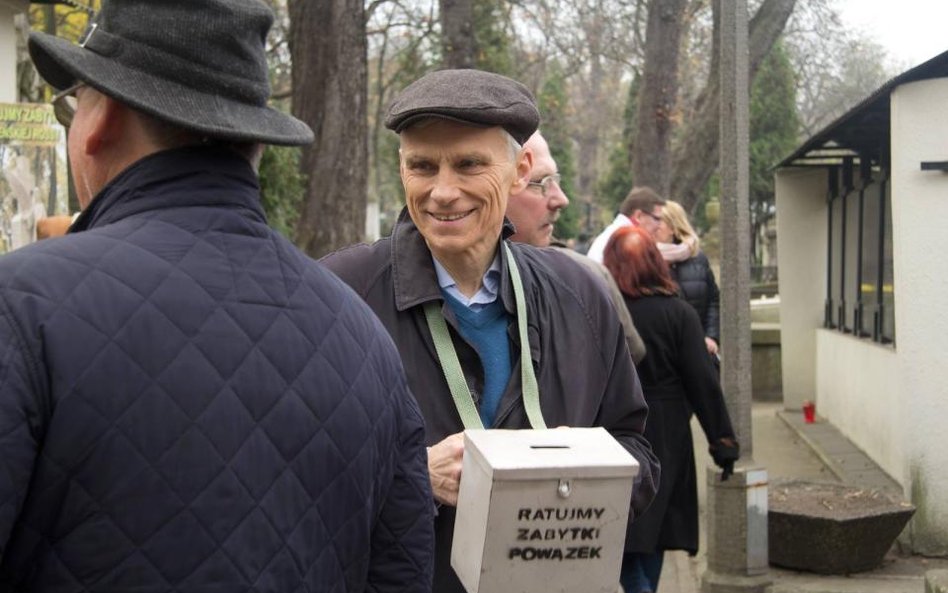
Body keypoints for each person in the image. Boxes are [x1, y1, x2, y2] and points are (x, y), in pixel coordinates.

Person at [0, 1, 434, 590]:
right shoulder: (363, 337)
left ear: (101, 120)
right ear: (251, 144)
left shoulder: (19, 306)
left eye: (72, 104)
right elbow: (400, 573)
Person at [321, 69, 660, 593]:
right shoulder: (340, 296)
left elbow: (638, 453)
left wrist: (591, 472)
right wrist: (413, 478)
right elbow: (288, 484)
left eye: (469, 165)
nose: (442, 191)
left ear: (521, 169)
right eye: (422, 166)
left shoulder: (580, 294)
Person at [603, 226, 739, 593]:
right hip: (667, 431)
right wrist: (723, 444)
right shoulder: (679, 314)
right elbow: (702, 383)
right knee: (657, 527)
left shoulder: (603, 310)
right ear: (655, 263)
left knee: (620, 530)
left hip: (613, 428)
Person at [506, 130, 646, 364]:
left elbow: (627, 359)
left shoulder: (585, 278)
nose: (561, 199)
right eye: (541, 182)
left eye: (556, 181)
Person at [655, 199, 721, 356]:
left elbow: (713, 300)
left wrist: (712, 337)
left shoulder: (697, 258)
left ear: (673, 227)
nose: (654, 225)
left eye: (659, 221)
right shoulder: (646, 259)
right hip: (663, 351)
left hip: (698, 348)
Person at [587, 186, 665, 263]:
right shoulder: (625, 242)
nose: (660, 226)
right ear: (638, 216)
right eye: (656, 219)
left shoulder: (613, 235)